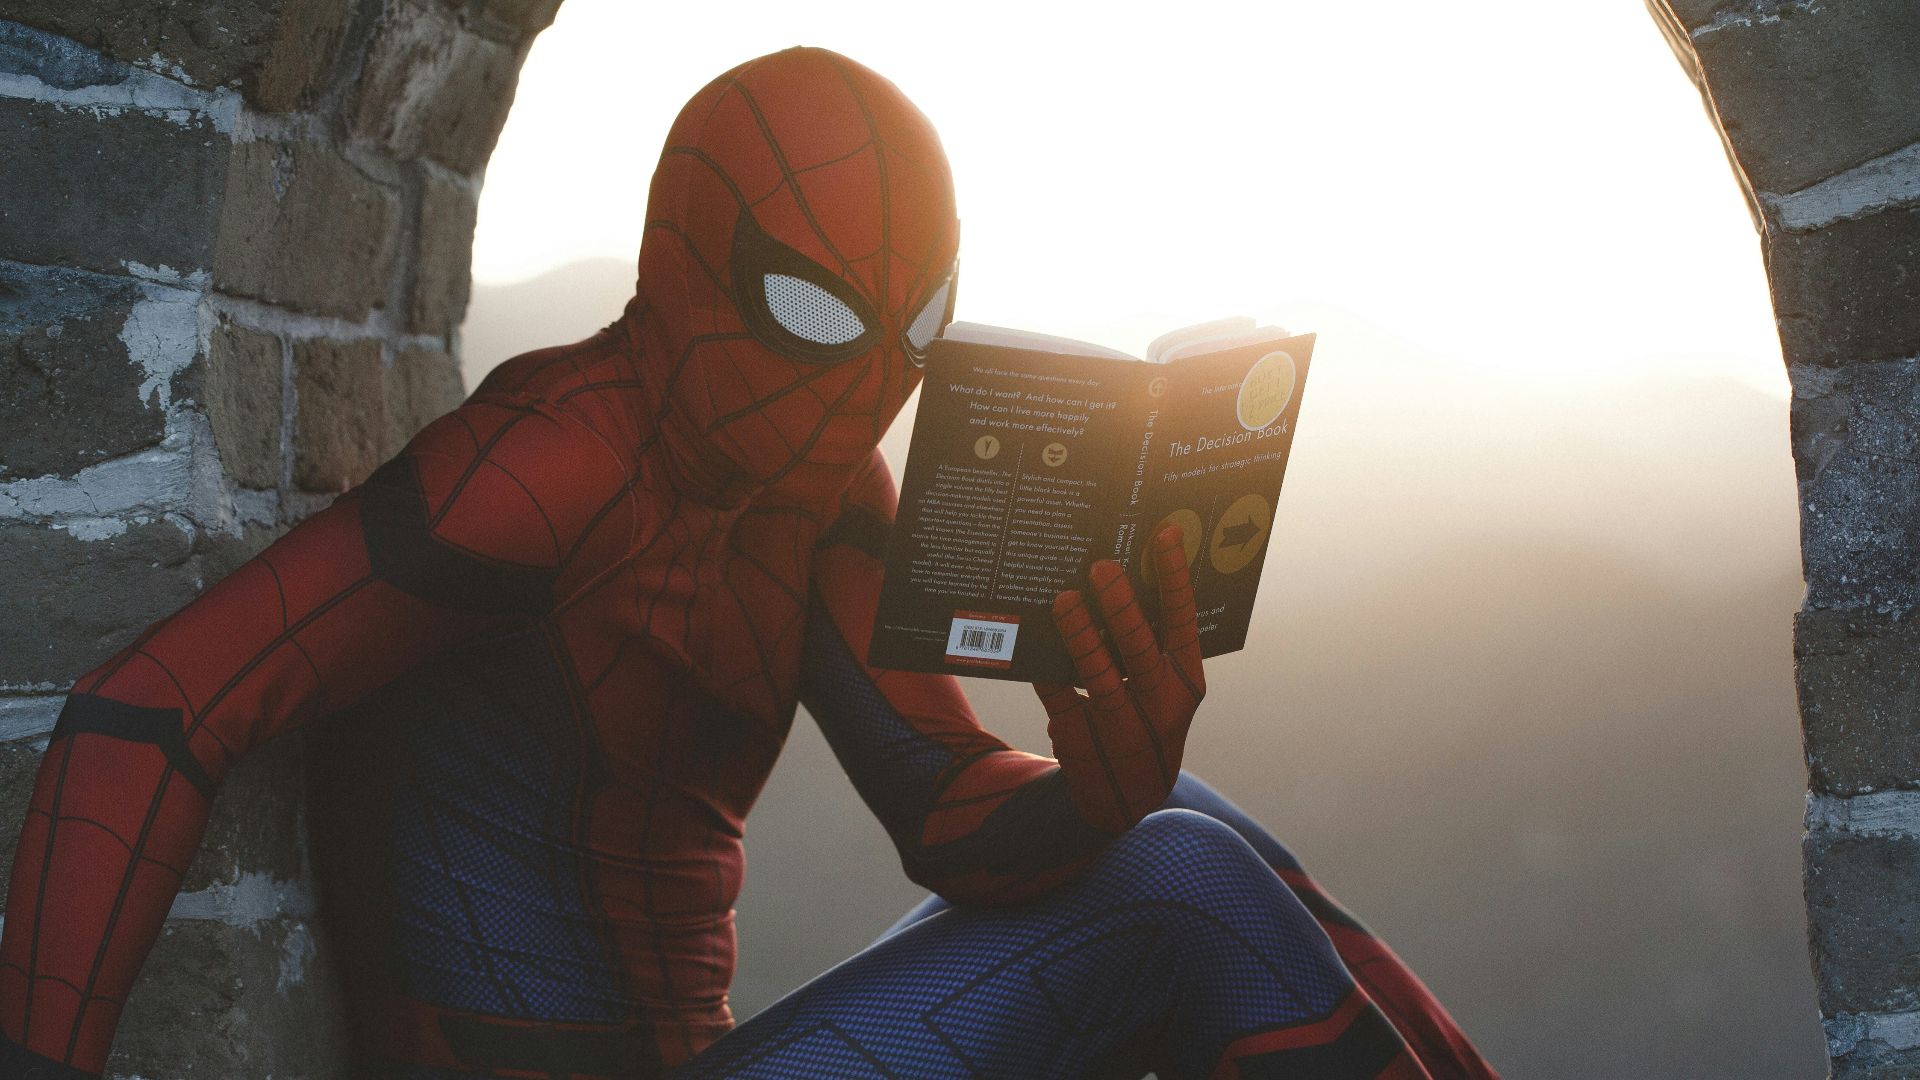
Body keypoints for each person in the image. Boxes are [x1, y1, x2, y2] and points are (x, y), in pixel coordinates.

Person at [0, 47, 1496, 1080]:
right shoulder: (555, 462)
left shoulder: (816, 484)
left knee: (1179, 816)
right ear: (683, 263)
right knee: (1176, 879)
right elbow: (155, 711)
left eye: (917, 327)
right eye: (816, 314)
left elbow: (948, 802)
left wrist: (1103, 775)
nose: (870, 385)